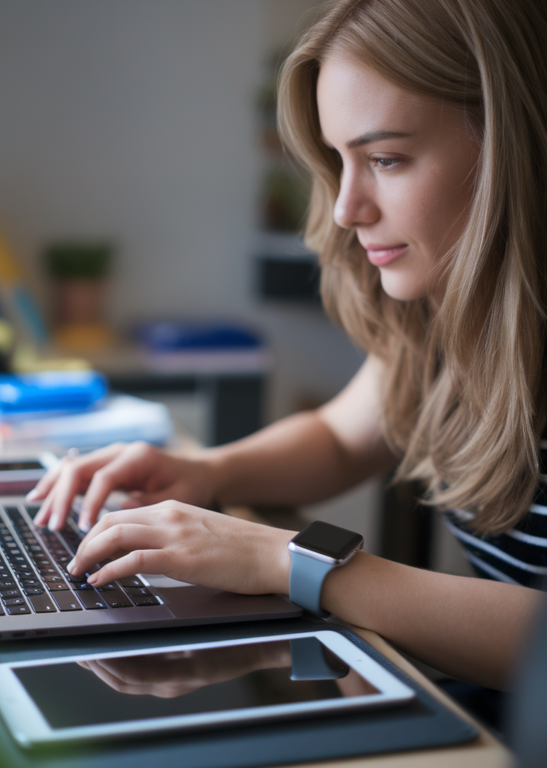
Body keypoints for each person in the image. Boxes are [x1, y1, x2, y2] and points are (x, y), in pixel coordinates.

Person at [27, 0, 547, 691]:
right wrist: (206, 472)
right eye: (339, 161)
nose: (345, 209)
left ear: (514, 143)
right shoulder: (446, 319)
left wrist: (297, 562)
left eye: (387, 158)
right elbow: (339, 437)